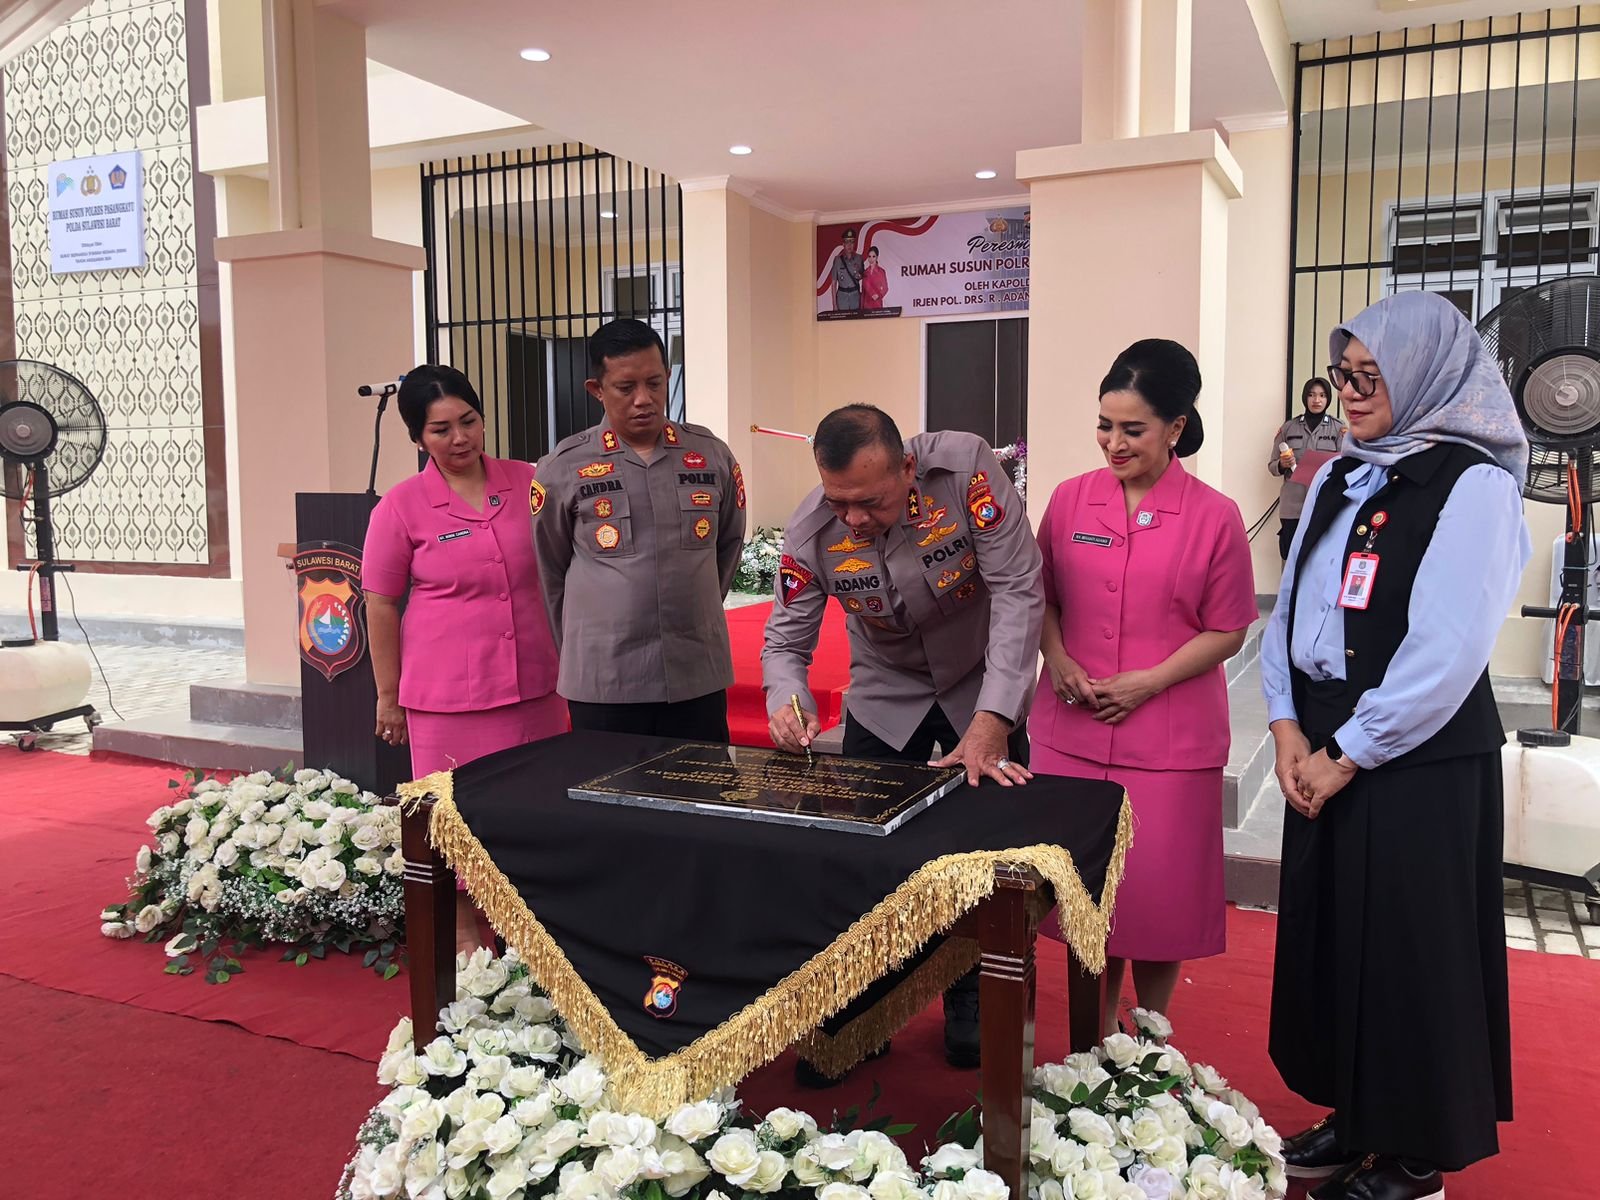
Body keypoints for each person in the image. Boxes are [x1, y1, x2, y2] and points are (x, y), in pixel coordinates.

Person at [1262, 291, 1528, 1200]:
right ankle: (1357, 1111)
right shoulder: (1341, 472)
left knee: (1411, 947)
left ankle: (1414, 1154)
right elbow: (1291, 607)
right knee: (1339, 937)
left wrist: (1347, 754)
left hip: (1416, 755)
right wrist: (1286, 725)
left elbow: (1448, 647)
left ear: (1424, 375)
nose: (1351, 392)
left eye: (1371, 376)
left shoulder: (1474, 484)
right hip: (1323, 736)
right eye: (1343, 375)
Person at [764, 404, 1044, 1076]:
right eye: (840, 501)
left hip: (980, 685)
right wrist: (786, 701)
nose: (853, 518)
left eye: (870, 501)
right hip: (886, 699)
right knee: (869, 863)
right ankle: (866, 1007)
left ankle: (971, 995)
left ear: (908, 467)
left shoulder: (966, 472)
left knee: (987, 858)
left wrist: (995, 718)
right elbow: (785, 642)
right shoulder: (812, 530)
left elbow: (1017, 589)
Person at [1029, 340, 1256, 1035]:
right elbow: (1039, 598)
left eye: (1133, 429)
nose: (1114, 443)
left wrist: (1148, 683)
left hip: (1169, 738)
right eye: (1104, 426)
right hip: (1073, 731)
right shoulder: (1070, 499)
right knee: (1082, 896)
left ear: (1176, 427)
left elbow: (1229, 628)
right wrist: (1057, 659)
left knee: (1159, 900)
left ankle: (1148, 1041)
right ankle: (1093, 1040)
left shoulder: (1214, 515)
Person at [362, 365, 566, 954]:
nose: (460, 438)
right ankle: (460, 931)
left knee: (536, 813)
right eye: (441, 429)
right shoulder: (401, 506)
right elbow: (380, 604)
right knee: (453, 820)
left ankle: (535, 932)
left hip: (536, 687)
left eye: (469, 421)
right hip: (447, 698)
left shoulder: (529, 481)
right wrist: (387, 696)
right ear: (417, 438)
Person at [533, 319, 746, 740]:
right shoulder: (563, 467)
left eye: (654, 383)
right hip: (606, 678)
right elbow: (550, 569)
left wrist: (692, 608)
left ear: (668, 375)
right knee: (609, 783)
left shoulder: (711, 455)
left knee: (700, 779)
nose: (643, 399)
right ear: (597, 389)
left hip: (695, 672)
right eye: (625, 387)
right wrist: (584, 644)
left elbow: (728, 546)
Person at [1269, 378, 1347, 560]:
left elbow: (1347, 466)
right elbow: (1272, 466)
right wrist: (1282, 464)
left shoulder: (1338, 429)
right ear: (1305, 397)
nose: (1316, 400)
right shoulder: (1288, 428)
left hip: (1323, 504)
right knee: (1291, 558)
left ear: (1328, 399)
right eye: (1311, 395)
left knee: (1319, 559)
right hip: (1293, 507)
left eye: (1322, 395)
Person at [831, 229, 864, 311]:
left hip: (855, 295)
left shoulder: (859, 258)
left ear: (854, 244)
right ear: (843, 244)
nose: (849, 245)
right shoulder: (837, 260)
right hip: (842, 296)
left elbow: (863, 275)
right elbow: (834, 283)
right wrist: (834, 304)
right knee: (842, 319)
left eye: (852, 242)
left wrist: (859, 276)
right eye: (847, 242)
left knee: (855, 318)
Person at [861, 246, 889, 311]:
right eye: (869, 256)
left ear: (877, 257)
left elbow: (885, 288)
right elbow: (863, 292)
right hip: (866, 304)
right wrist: (861, 307)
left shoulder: (881, 271)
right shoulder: (865, 272)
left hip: (877, 303)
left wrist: (878, 295)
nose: (871, 259)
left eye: (873, 256)